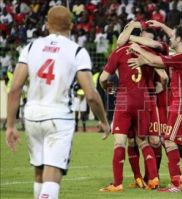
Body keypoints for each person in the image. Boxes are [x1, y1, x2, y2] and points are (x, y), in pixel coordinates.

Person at [5, 6, 110, 199]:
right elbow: (92, 95)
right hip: (59, 117)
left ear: (46, 24)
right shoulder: (77, 51)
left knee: (39, 170)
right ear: (71, 25)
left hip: (32, 115)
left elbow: (14, 89)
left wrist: (10, 124)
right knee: (53, 172)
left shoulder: (31, 47)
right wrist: (103, 120)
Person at [128, 21, 182, 192]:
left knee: (168, 141)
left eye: (174, 36)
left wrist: (138, 48)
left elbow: (155, 60)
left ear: (180, 39)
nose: (171, 37)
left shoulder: (181, 58)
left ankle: (176, 184)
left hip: (181, 105)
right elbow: (173, 36)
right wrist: (161, 25)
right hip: (178, 103)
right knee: (177, 146)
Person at [99, 28, 159, 192]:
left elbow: (103, 78)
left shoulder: (118, 52)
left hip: (125, 99)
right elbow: (161, 71)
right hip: (144, 99)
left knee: (120, 142)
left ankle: (117, 183)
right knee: (143, 142)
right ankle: (153, 179)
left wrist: (108, 88)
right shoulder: (146, 51)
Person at [116, 21, 169, 187]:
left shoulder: (154, 51)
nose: (144, 42)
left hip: (150, 100)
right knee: (135, 141)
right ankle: (139, 178)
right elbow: (119, 44)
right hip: (138, 99)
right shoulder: (128, 49)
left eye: (147, 40)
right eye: (143, 39)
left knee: (152, 140)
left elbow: (164, 76)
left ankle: (152, 176)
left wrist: (161, 87)